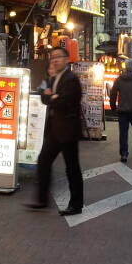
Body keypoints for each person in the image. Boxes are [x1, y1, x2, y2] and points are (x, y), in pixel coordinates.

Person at [25, 47, 84, 216]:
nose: (55, 60)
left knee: (72, 168)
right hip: (54, 130)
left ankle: (76, 204)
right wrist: (52, 96)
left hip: (68, 131)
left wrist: (53, 97)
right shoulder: (49, 78)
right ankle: (42, 199)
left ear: (67, 59)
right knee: (43, 161)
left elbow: (64, 102)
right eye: (52, 58)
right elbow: (42, 95)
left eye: (58, 57)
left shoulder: (71, 79)